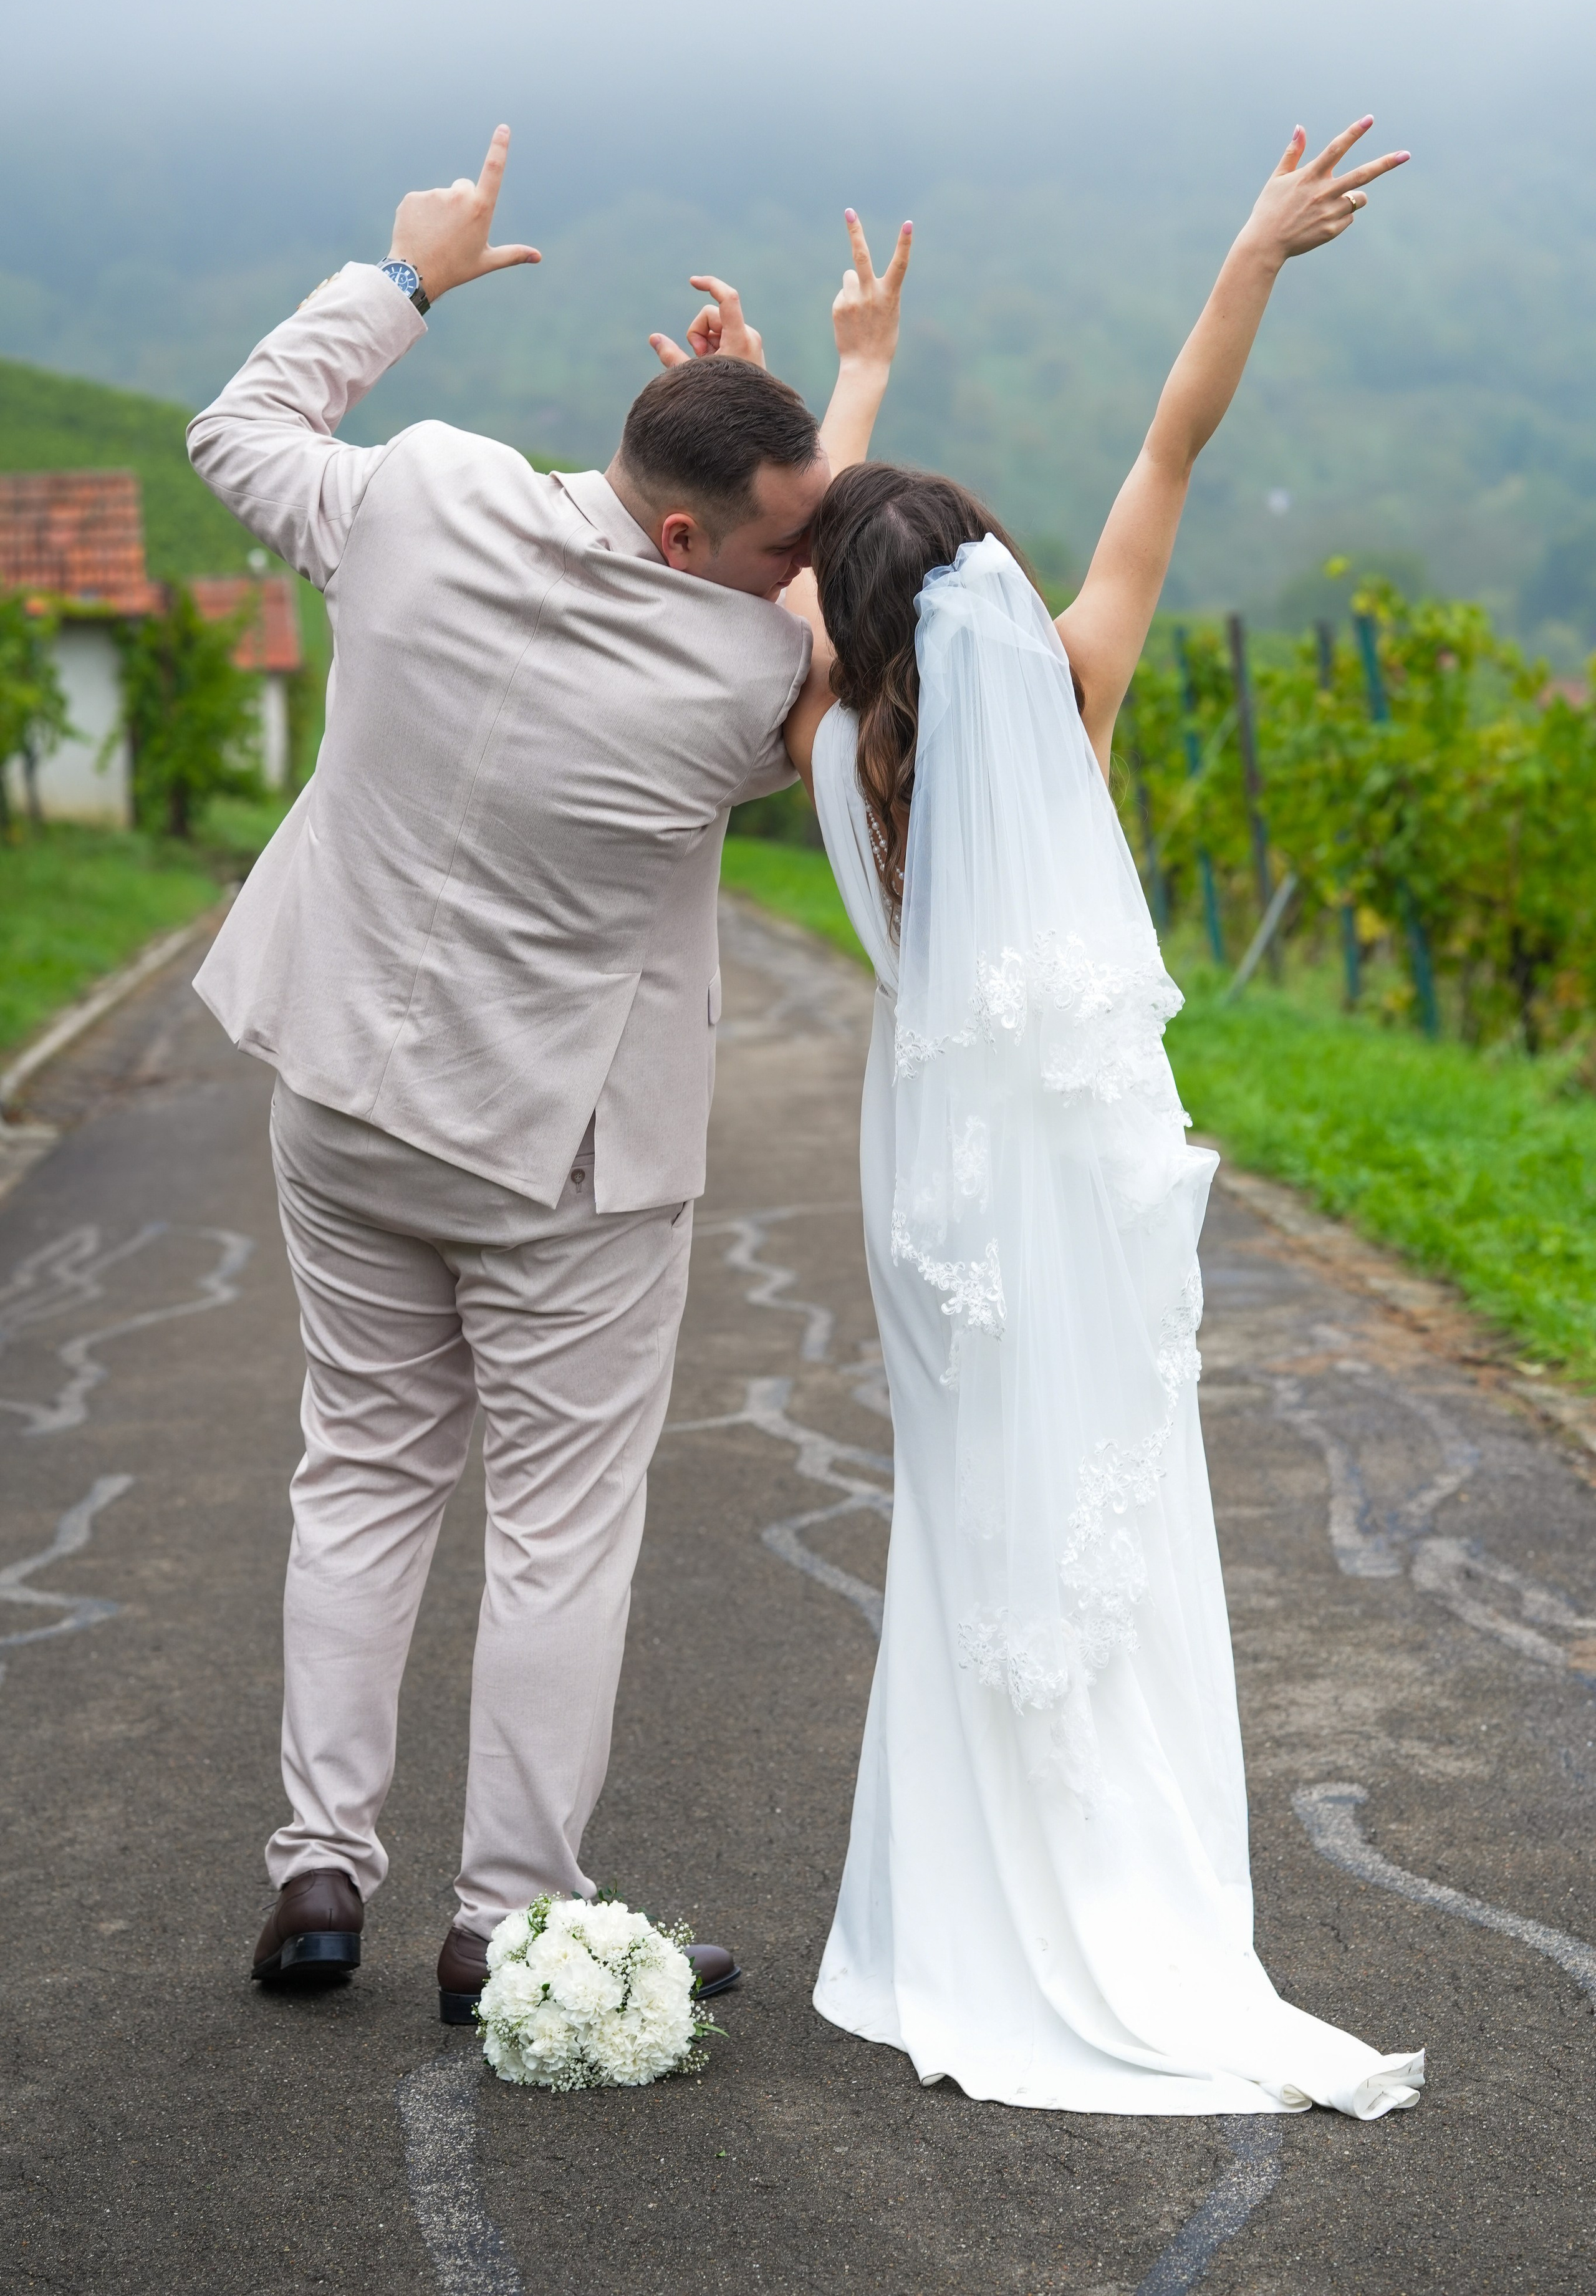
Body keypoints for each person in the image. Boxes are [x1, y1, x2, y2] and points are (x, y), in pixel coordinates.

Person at [186, 127, 911, 2019]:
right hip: (561, 1167)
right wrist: (853, 375)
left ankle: (320, 1872)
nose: (795, 562)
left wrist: (409, 273)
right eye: (774, 537)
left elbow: (239, 436)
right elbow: (845, 644)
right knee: (561, 1533)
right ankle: (507, 1915)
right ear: (696, 545)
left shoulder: (422, 497)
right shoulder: (738, 690)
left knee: (358, 1474)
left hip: (340, 1090)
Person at [781, 120, 1426, 2115]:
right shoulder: (1068, 690)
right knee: (1113, 1524)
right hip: (1066, 1167)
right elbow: (1170, 449)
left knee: (971, 1526)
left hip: (932, 1176)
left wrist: (851, 371)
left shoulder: (817, 730)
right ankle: (1123, 1877)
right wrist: (1250, 254)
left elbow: (819, 569)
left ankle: (969, 1898)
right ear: (979, 594)